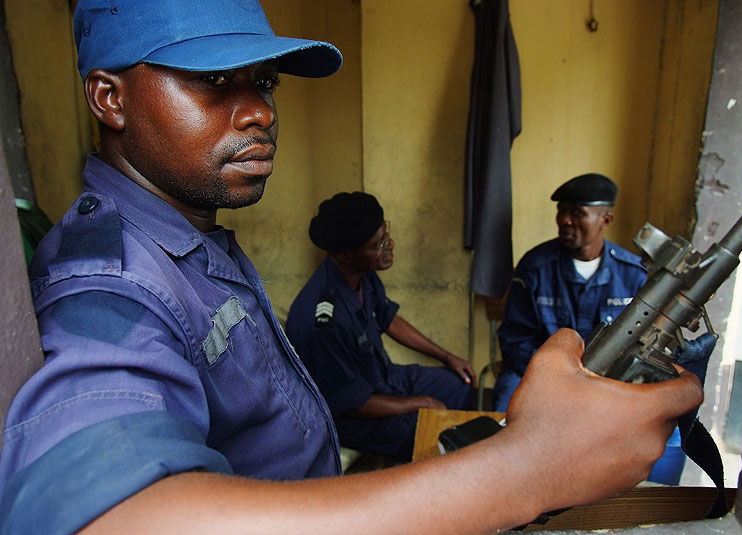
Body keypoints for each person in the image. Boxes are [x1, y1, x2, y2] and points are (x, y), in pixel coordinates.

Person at [0, 2, 704, 534]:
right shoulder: (106, 284)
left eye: (265, 82)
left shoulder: (195, 237)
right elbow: (108, 517)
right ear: (110, 99)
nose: (259, 113)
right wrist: (524, 469)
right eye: (213, 81)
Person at [285, 192, 475, 462]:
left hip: (381, 378)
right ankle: (429, 488)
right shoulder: (324, 323)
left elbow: (389, 319)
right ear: (346, 255)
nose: (390, 245)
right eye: (378, 244)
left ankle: (448, 461)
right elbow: (352, 403)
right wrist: (419, 403)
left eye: (386, 235)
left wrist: (447, 357)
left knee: (458, 384)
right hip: (349, 415)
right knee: (424, 428)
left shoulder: (362, 275)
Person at [494, 174, 647, 411]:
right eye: (561, 211)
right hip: (538, 376)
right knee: (505, 416)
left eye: (576, 213)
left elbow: (642, 343)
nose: (564, 220)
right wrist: (557, 378)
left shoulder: (633, 274)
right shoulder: (536, 267)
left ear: (605, 219)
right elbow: (515, 340)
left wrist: (593, 382)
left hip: (607, 380)